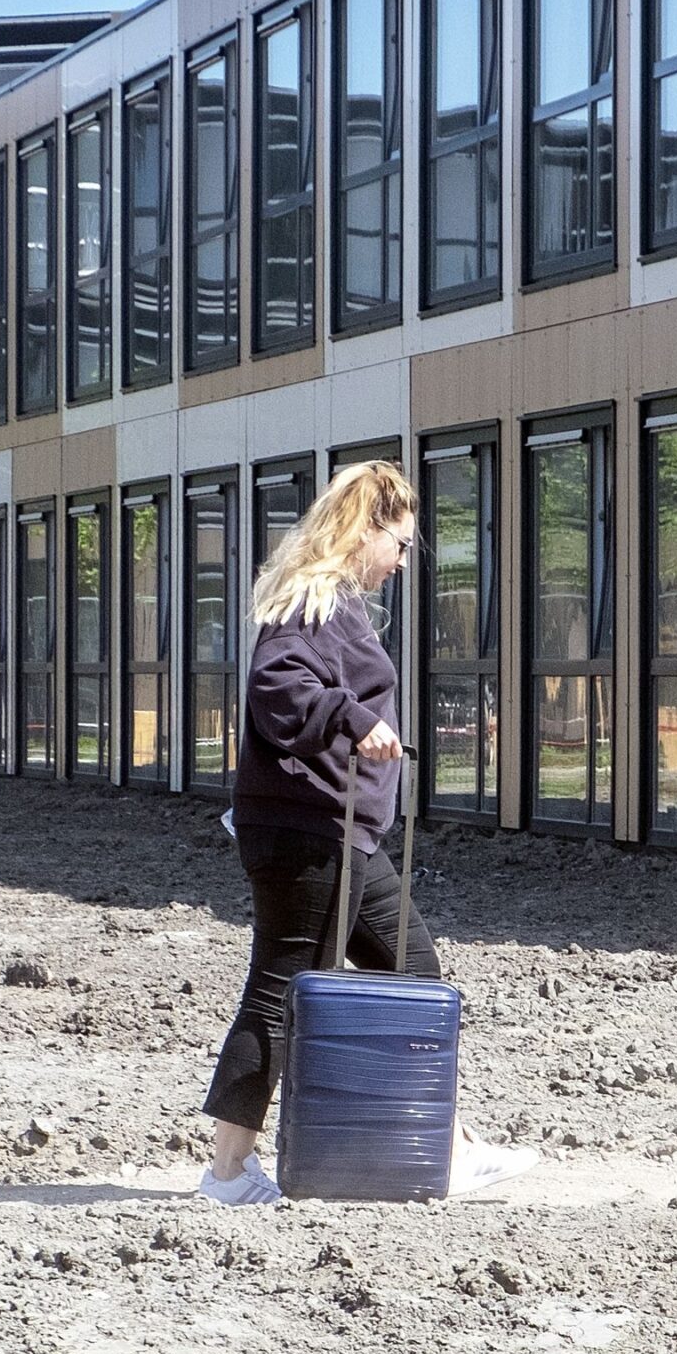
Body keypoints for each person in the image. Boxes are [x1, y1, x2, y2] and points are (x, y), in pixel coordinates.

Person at [197, 458, 538, 1207]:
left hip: (342, 832)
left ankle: (448, 1149)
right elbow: (278, 691)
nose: (404, 561)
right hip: (308, 832)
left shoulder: (335, 605)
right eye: (402, 543)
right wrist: (353, 721)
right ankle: (226, 1172)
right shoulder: (313, 604)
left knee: (414, 974)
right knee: (281, 990)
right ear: (366, 529)